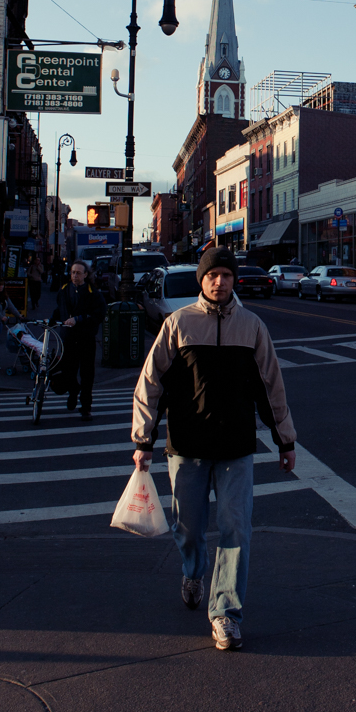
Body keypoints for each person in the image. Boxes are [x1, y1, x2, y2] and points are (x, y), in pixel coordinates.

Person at [131, 246, 296, 652]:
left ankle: (226, 613)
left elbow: (271, 386)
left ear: (233, 279)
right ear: (201, 281)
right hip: (186, 447)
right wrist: (143, 440)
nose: (219, 282)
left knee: (236, 527)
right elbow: (150, 383)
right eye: (212, 276)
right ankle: (193, 571)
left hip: (236, 448)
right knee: (187, 527)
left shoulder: (252, 327)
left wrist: (285, 441)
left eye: (225, 275)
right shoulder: (179, 324)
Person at [55, 261, 106, 419]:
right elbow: (59, 310)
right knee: (68, 371)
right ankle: (73, 391)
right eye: (72, 272)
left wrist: (80, 319)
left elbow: (99, 314)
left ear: (85, 274)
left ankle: (86, 407)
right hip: (68, 338)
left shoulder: (93, 293)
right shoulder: (64, 290)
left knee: (87, 374)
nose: (74, 276)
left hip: (85, 338)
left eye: (78, 273)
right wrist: (50, 321)